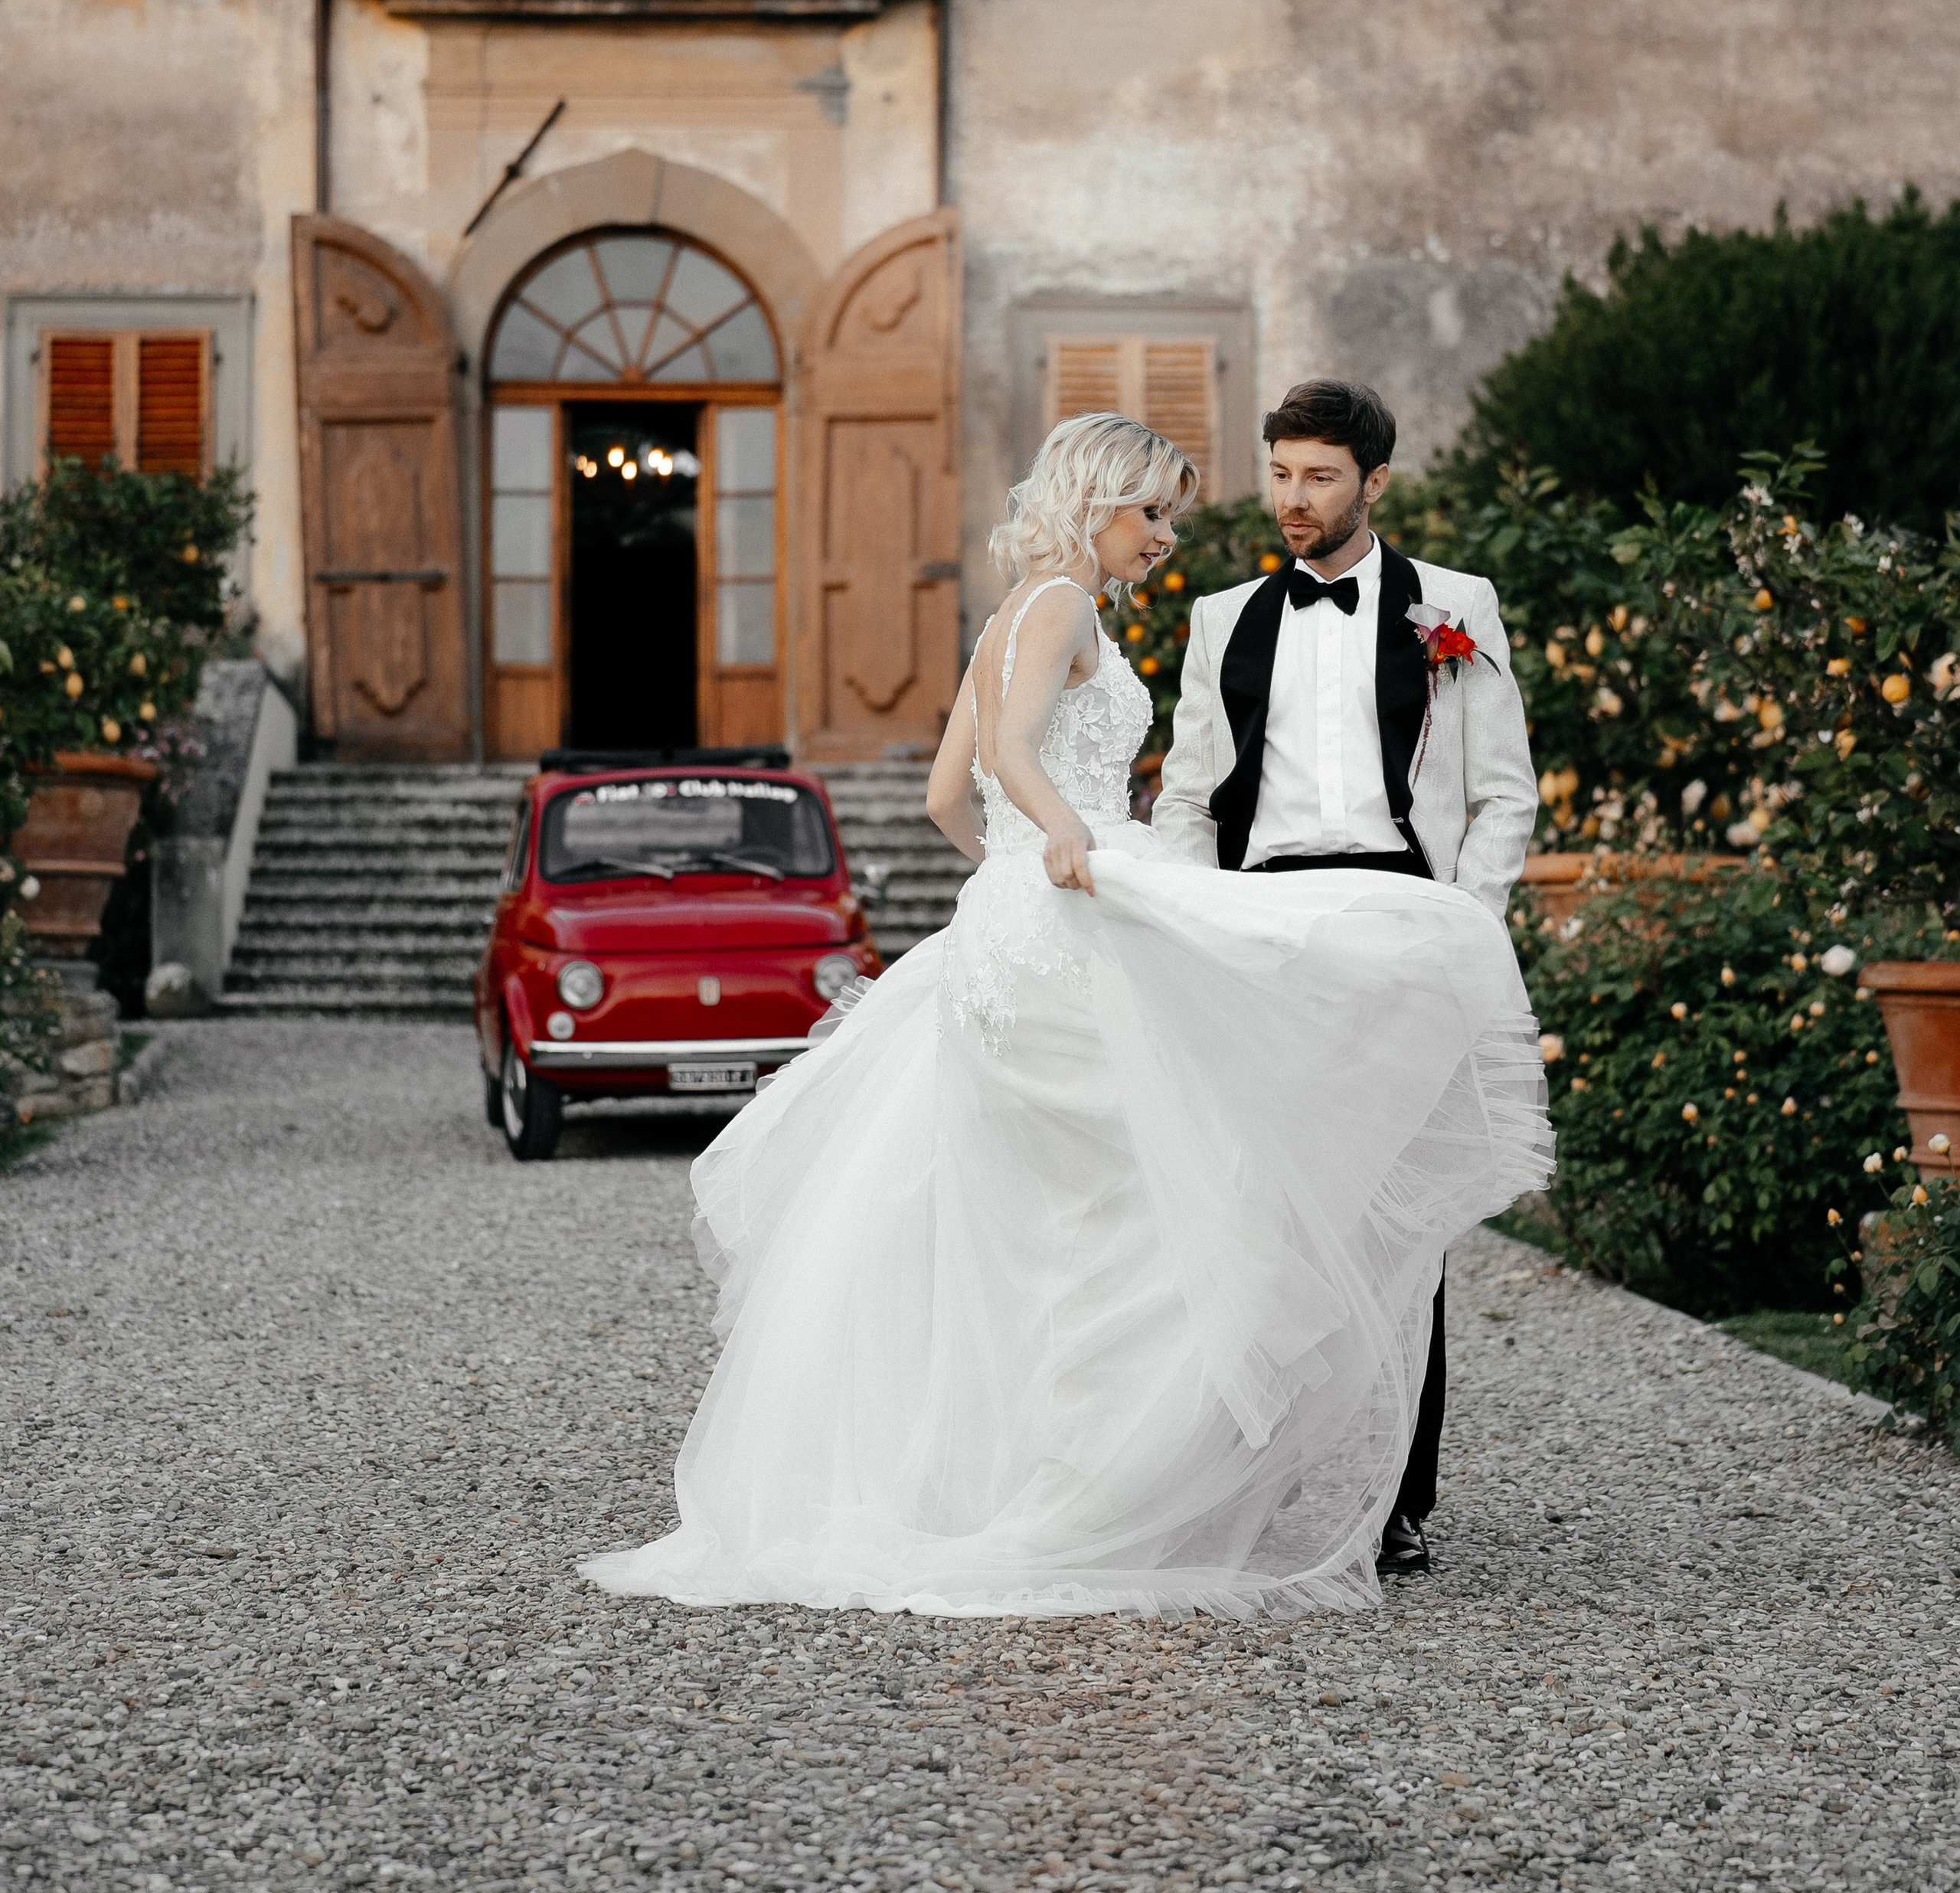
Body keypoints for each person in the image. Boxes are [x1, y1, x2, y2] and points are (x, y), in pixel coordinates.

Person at [581, 410, 1550, 1620]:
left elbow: (951, 791)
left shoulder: (1020, 613)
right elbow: (1013, 751)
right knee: (1156, 1202)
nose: (1166, 538)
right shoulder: (1062, 608)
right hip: (1079, 908)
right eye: (1154, 514)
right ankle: (1116, 1479)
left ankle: (1074, 1468)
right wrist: (1070, 840)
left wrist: (1008, 873)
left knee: (1058, 1215)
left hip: (1035, 920)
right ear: (1100, 501)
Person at [1154, 376, 1540, 1576]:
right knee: (1256, 1209)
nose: (1293, 499)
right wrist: (1194, 911)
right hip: (1266, 925)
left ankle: (1395, 1501)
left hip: (1403, 919)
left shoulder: (1455, 607)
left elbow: (1503, 789)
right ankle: (1248, 1486)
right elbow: (1186, 790)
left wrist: (1463, 926)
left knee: (1395, 1219)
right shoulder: (1223, 617)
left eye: (1319, 477)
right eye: (1279, 474)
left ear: (1375, 482)